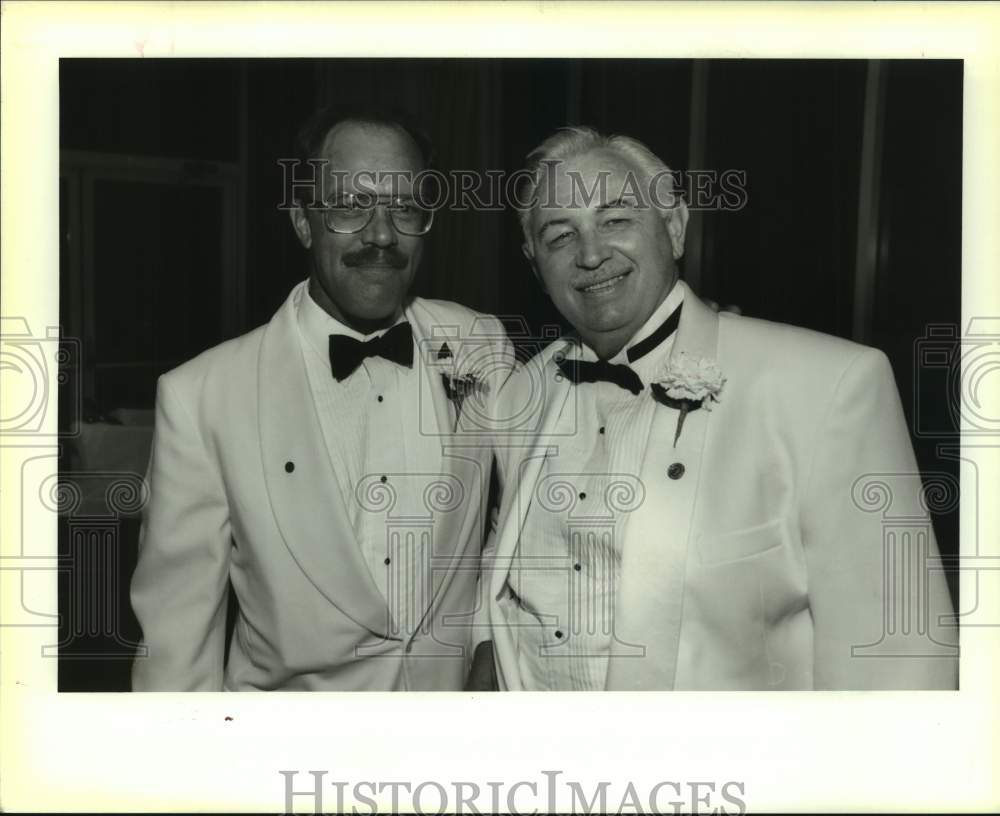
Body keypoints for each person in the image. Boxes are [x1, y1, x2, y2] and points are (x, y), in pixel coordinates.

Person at [483, 126, 957, 690]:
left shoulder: (826, 386)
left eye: (616, 220)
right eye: (561, 236)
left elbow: (899, 658)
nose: (591, 254)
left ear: (675, 227)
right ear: (534, 262)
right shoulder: (518, 397)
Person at [130, 106, 512, 690]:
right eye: (351, 206)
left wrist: (489, 643)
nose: (381, 235)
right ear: (304, 222)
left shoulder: (479, 343)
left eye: (404, 207)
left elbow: (511, 533)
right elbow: (176, 647)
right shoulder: (202, 397)